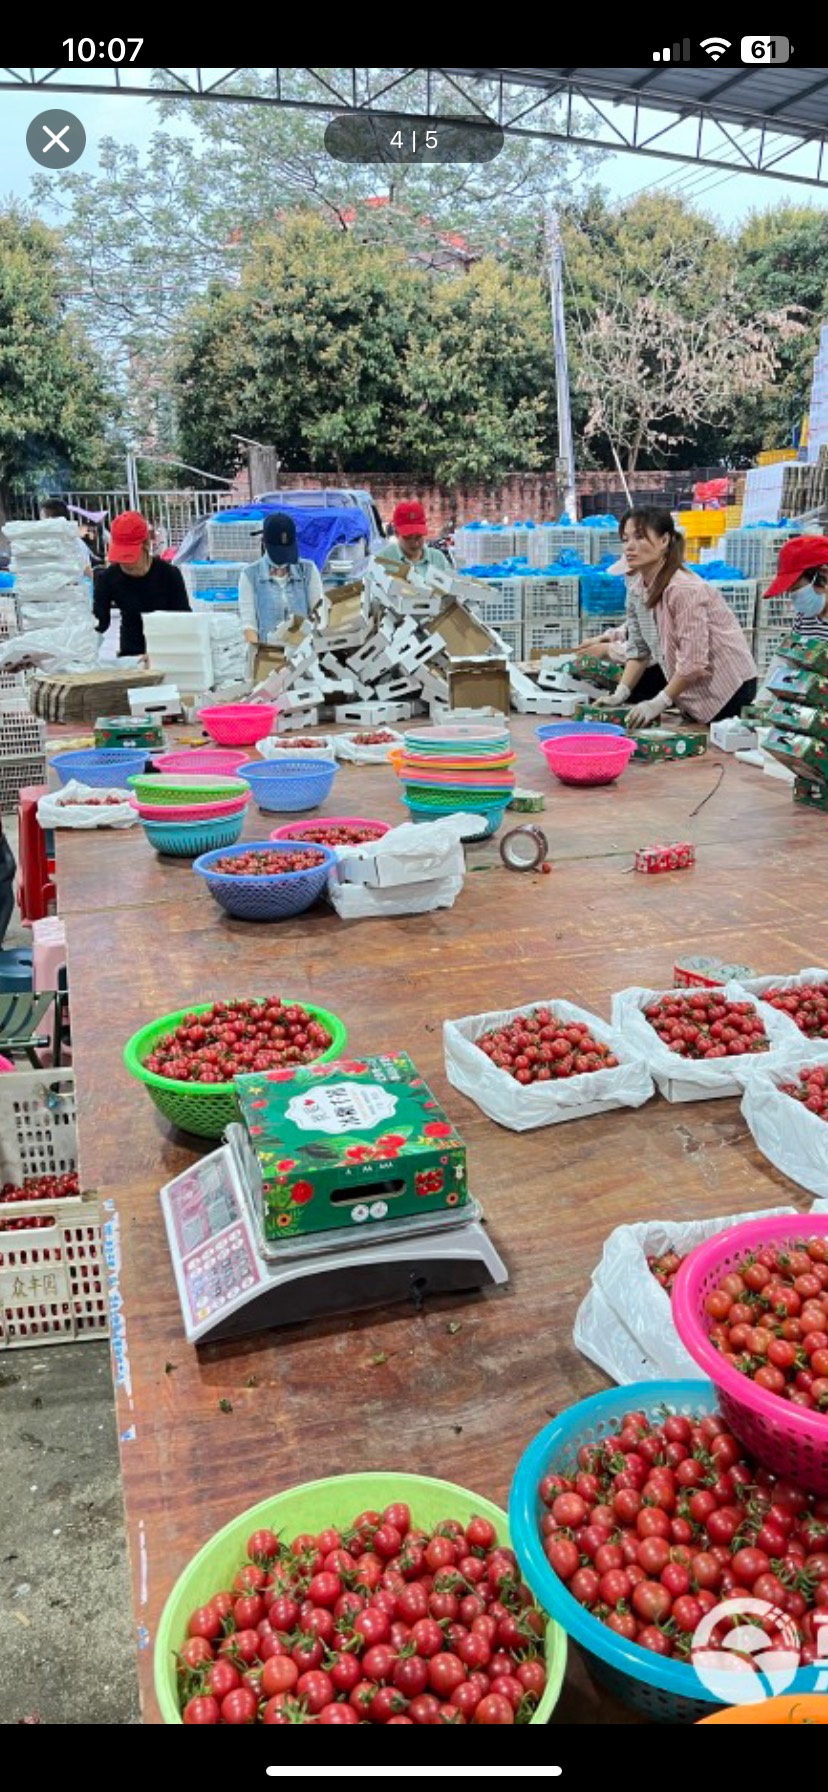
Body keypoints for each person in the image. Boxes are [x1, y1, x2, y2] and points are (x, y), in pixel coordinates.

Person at [595, 508, 758, 728]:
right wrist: (620, 694)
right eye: (625, 539)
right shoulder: (636, 590)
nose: (629, 547)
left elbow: (693, 661)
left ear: (664, 540)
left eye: (640, 537)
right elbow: (639, 650)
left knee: (716, 742)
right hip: (693, 686)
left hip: (728, 687)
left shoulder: (683, 589)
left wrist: (659, 702)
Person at [238, 513, 324, 683]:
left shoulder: (308, 570)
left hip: (304, 659)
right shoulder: (250, 575)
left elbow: (319, 615)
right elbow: (249, 625)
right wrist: (260, 663)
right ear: (264, 543)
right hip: (269, 660)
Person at [93, 510, 190, 657]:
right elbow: (99, 623)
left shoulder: (169, 574)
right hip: (131, 654)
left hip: (169, 651)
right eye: (121, 556)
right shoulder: (107, 578)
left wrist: (163, 653)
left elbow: (184, 619)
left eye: (130, 556)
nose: (125, 563)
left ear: (146, 544)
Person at [763, 535, 828, 640]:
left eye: (796, 589)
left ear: (824, 573)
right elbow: (793, 647)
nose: (793, 596)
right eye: (790, 591)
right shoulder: (804, 617)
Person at [380, 501, 452, 574]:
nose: (415, 543)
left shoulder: (438, 559)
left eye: (418, 536)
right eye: (408, 537)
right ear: (396, 534)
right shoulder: (382, 561)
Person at [39, 497, 93, 575]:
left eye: (42, 518)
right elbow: (87, 570)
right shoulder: (77, 542)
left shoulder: (41, 544)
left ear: (49, 519)